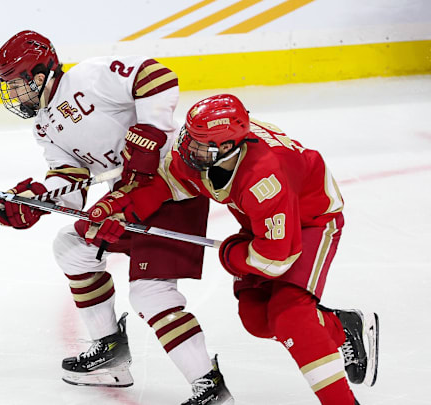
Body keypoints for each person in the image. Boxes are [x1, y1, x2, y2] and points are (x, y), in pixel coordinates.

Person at [87, 93, 380, 404]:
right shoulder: (209, 152)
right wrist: (118, 207)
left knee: (291, 315)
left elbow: (276, 258)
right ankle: (342, 327)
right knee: (256, 318)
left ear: (227, 147)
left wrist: (232, 254)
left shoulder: (265, 177)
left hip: (310, 222)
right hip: (264, 228)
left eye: (198, 142)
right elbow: (169, 183)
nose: (187, 145)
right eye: (190, 135)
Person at [0, 31, 233, 405]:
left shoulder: (88, 78)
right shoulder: (44, 126)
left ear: (39, 75)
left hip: (170, 186)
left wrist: (152, 130)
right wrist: (36, 199)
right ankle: (110, 352)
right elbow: (70, 185)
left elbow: (157, 76)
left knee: (151, 292)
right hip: (125, 199)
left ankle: (210, 387)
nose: (14, 95)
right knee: (72, 250)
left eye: (16, 85)